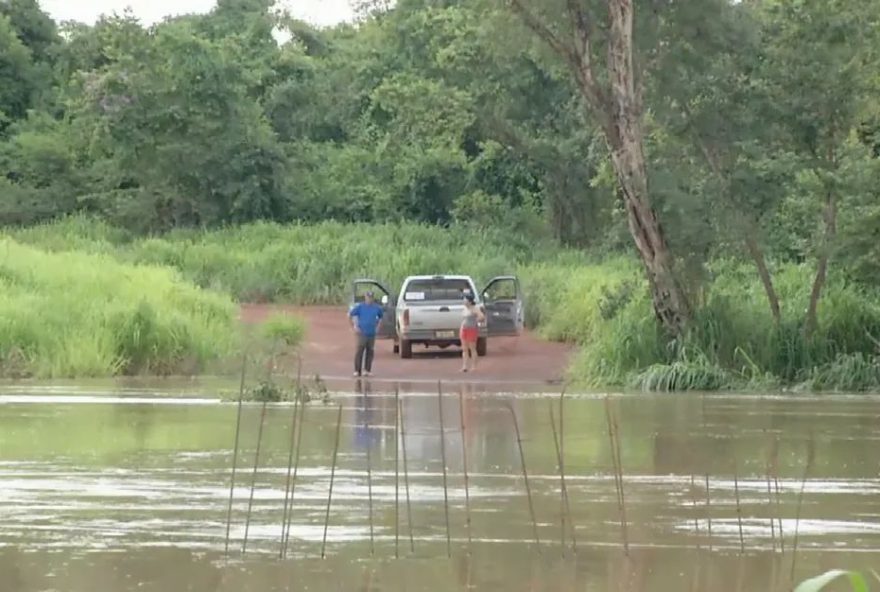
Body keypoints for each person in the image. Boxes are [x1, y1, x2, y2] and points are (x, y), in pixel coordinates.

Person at [350, 291, 384, 377]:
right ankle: (357, 370)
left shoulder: (377, 308)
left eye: (371, 297)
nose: (369, 299)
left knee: (370, 352)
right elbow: (350, 315)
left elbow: (381, 318)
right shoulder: (360, 307)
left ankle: (367, 370)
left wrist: (378, 328)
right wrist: (354, 327)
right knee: (359, 351)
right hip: (362, 333)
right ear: (365, 297)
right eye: (368, 297)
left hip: (371, 333)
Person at [460, 292, 485, 372]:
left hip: (471, 330)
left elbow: (482, 317)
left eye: (465, 299)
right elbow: (463, 319)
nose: (464, 301)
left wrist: (475, 321)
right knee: (464, 349)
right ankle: (464, 366)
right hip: (464, 329)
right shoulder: (464, 309)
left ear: (469, 301)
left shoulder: (474, 308)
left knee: (472, 348)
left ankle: (474, 366)